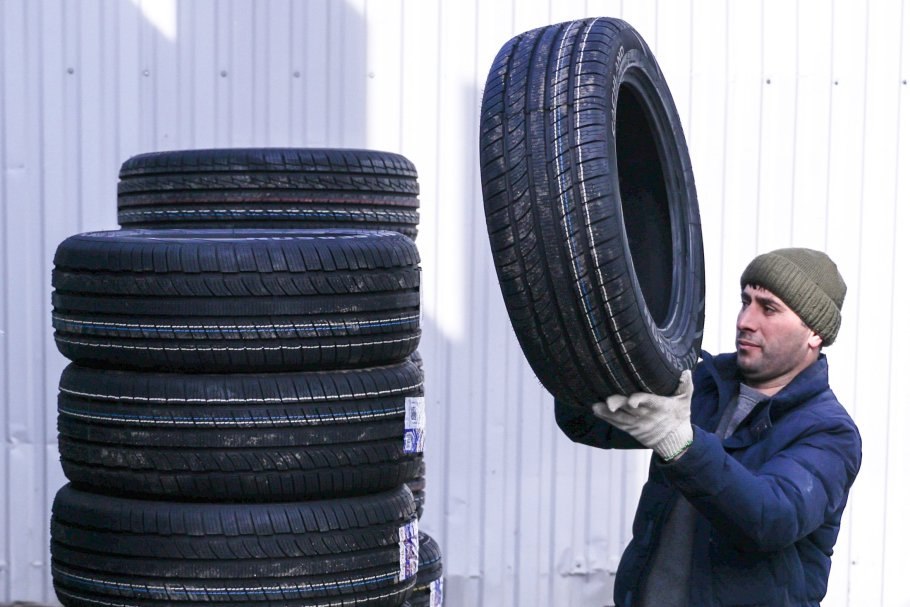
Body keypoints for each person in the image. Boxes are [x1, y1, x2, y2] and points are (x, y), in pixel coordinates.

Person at [555, 248, 862, 607]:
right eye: (745, 301)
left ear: (814, 333)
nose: (746, 320)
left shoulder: (829, 433)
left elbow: (769, 518)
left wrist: (680, 443)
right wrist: (577, 352)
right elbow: (586, 424)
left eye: (769, 308)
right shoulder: (701, 385)